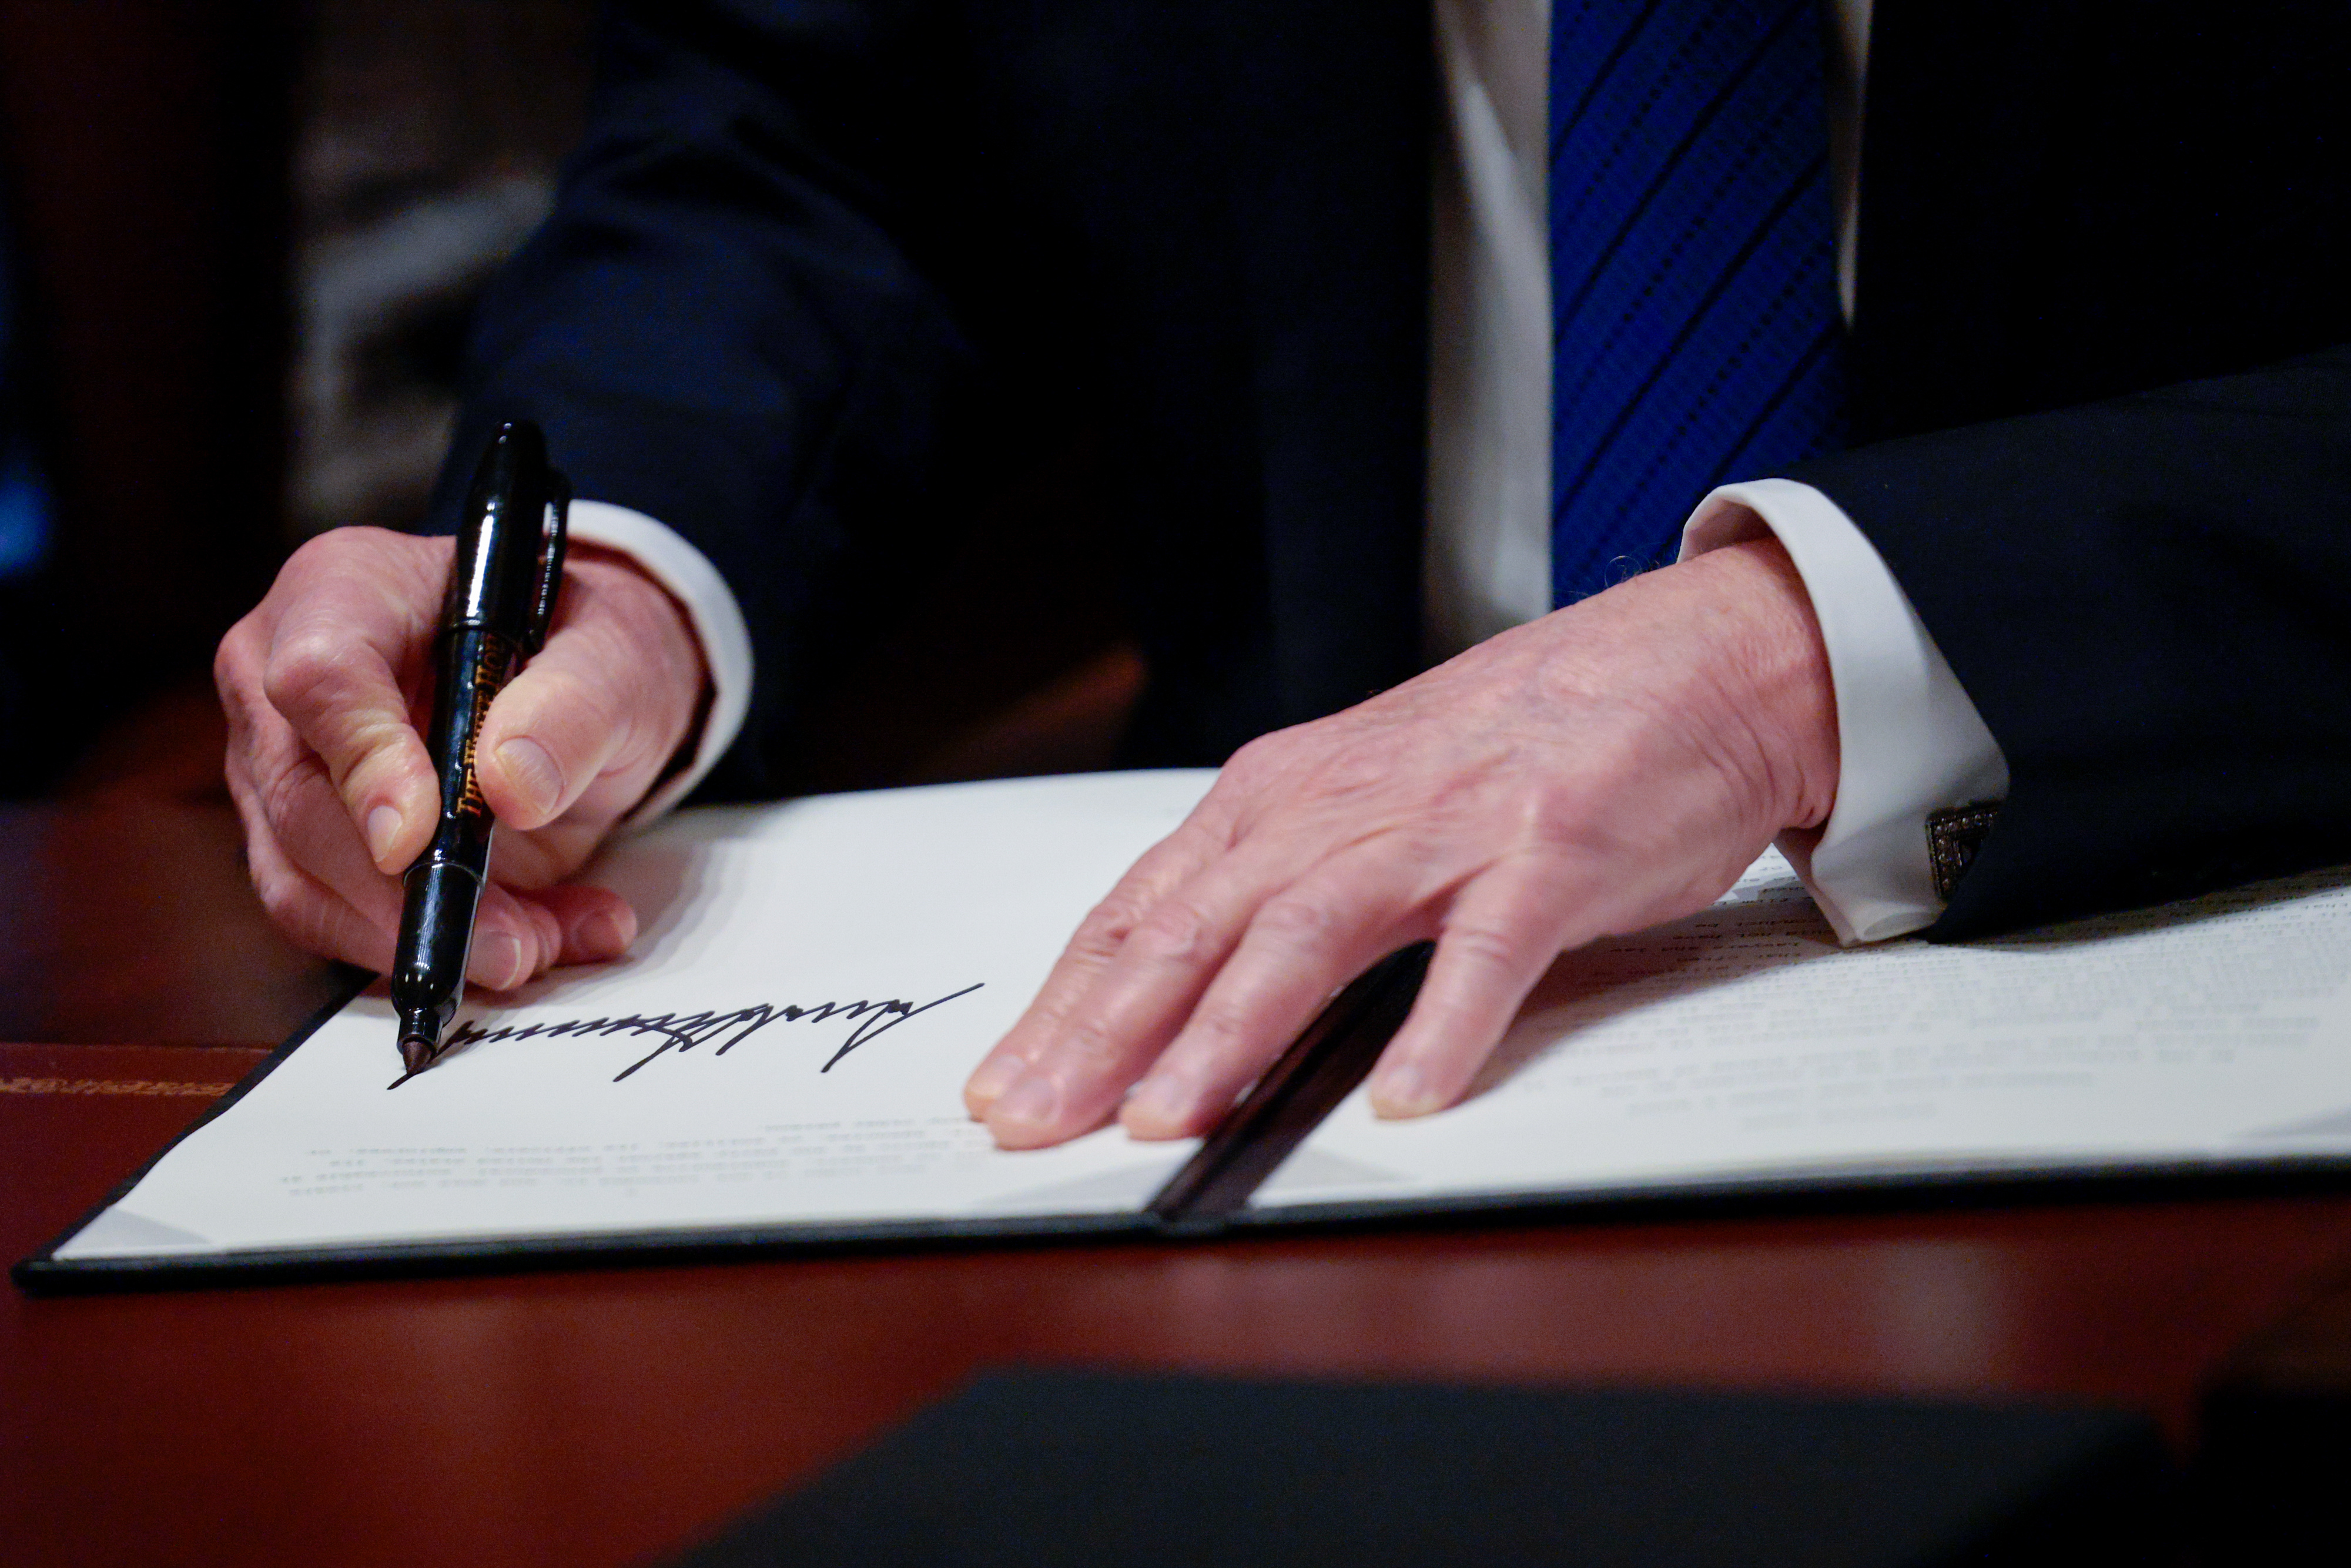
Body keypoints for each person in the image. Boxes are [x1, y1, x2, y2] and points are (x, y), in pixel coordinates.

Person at [216, 2, 2351, 1151]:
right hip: (1270, 1073)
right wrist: (629, 580)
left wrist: (1796, 650)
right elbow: (818, 134)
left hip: (2154, 940)